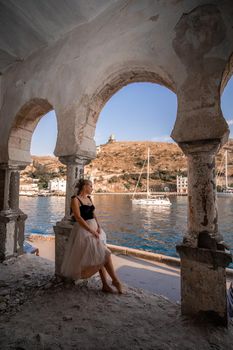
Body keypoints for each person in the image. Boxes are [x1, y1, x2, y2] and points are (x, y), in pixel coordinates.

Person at [61, 179, 123, 294]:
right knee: (105, 254)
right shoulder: (75, 199)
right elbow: (78, 218)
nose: (92, 188)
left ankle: (105, 285)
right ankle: (115, 281)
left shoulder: (89, 199)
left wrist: (98, 226)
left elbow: (93, 214)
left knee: (99, 255)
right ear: (84, 186)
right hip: (84, 231)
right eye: (90, 186)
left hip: (95, 229)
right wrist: (91, 231)